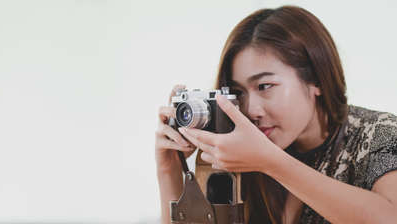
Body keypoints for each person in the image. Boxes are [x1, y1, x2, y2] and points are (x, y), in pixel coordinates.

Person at [155, 5, 397, 224]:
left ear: (316, 79)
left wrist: (270, 162)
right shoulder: (238, 154)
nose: (251, 110)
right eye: (239, 92)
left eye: (264, 86)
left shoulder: (379, 133)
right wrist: (169, 168)